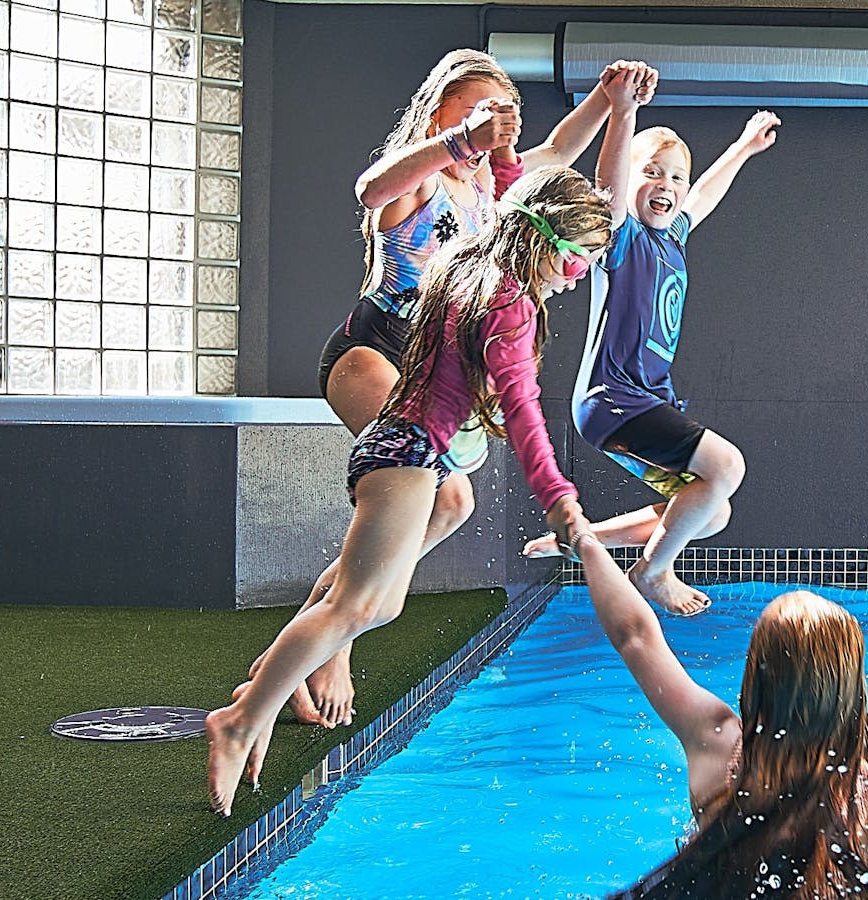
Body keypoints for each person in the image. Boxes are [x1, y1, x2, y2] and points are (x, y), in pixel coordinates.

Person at [264, 51, 655, 729]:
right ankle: (333, 645)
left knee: (453, 503)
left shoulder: (497, 194)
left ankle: (330, 618)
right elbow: (370, 189)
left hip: (430, 366)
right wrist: (461, 139)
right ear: (437, 115)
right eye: (472, 113)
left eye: (498, 119)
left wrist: (607, 97)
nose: (488, 131)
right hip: (373, 351)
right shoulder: (423, 182)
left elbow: (561, 149)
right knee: (434, 493)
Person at [208, 165, 610, 817]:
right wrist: (560, 497)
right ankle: (241, 719)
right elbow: (527, 415)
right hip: (408, 452)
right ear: (548, 243)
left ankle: (272, 679)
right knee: (358, 606)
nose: (580, 275)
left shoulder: (468, 266)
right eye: (580, 259)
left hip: (402, 447)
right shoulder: (509, 306)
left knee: (372, 602)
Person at [572, 531, 868, 899]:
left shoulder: (720, 745)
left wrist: (583, 538)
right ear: (849, 690)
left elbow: (636, 636)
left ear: (759, 675)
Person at [522, 99, 782, 618]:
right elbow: (609, 189)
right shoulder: (622, 237)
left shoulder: (673, 238)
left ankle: (583, 538)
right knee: (726, 465)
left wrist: (744, 148)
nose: (666, 184)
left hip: (640, 401)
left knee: (711, 511)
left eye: (675, 178)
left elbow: (703, 196)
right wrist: (623, 114)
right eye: (651, 172)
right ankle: (652, 570)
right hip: (613, 400)